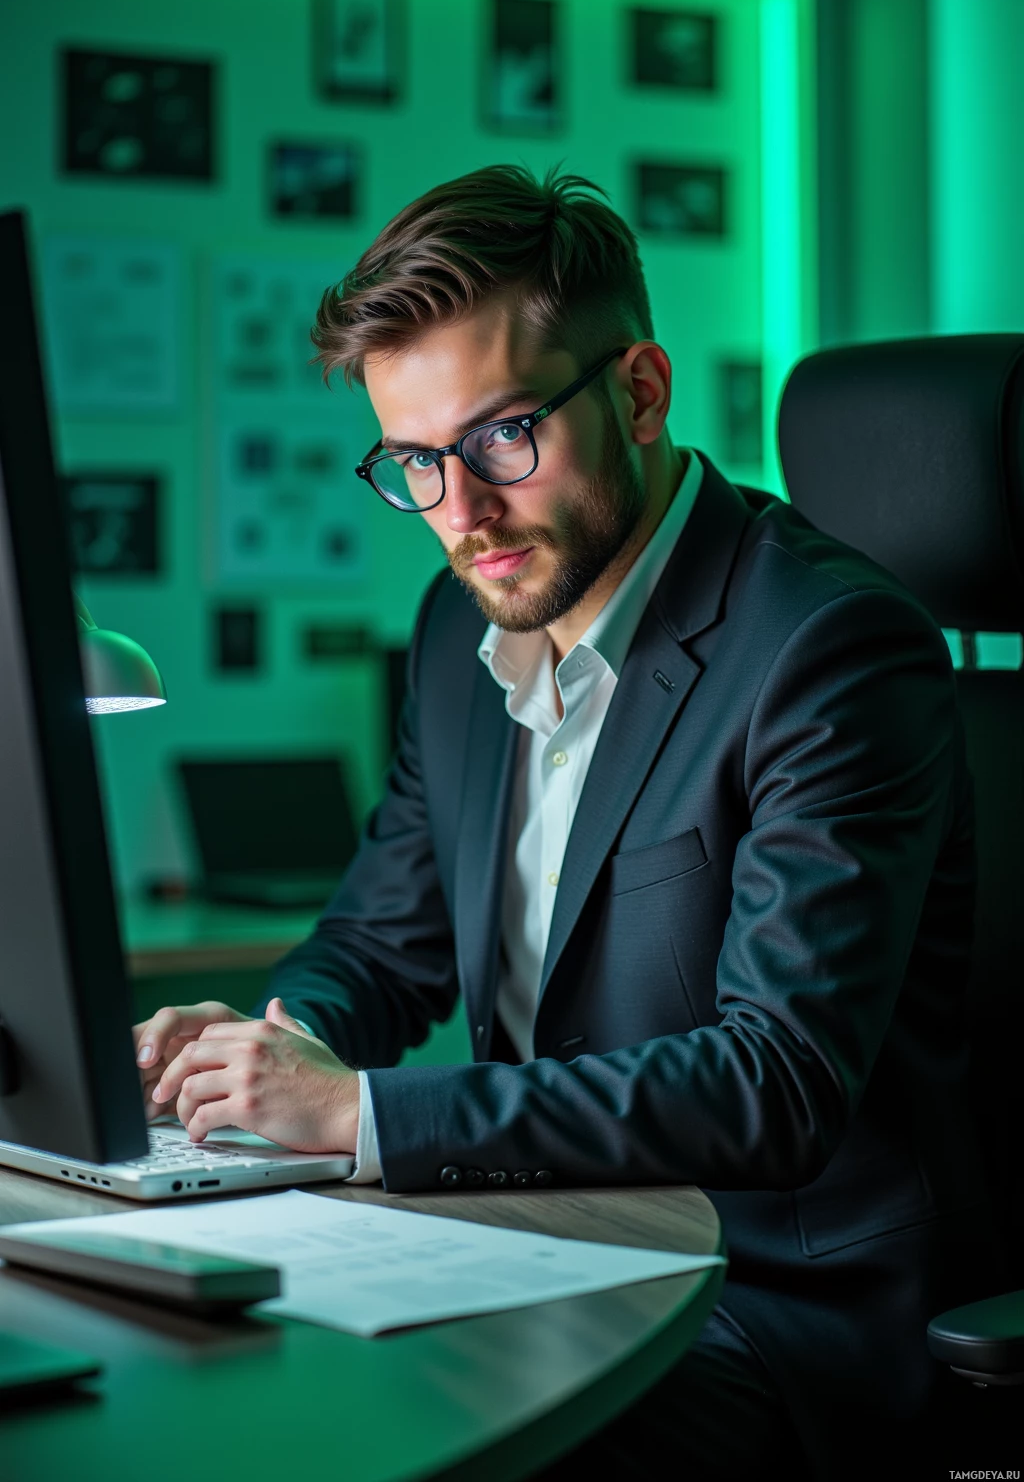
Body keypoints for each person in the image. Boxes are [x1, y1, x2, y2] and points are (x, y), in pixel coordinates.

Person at [135, 165, 996, 1478]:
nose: (462, 515)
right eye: (415, 464)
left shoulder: (832, 649)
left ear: (640, 392)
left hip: (768, 1302)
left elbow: (774, 1083)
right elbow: (385, 935)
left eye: (502, 438)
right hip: (543, 1247)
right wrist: (268, 1057)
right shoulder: (457, 628)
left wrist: (361, 1114)